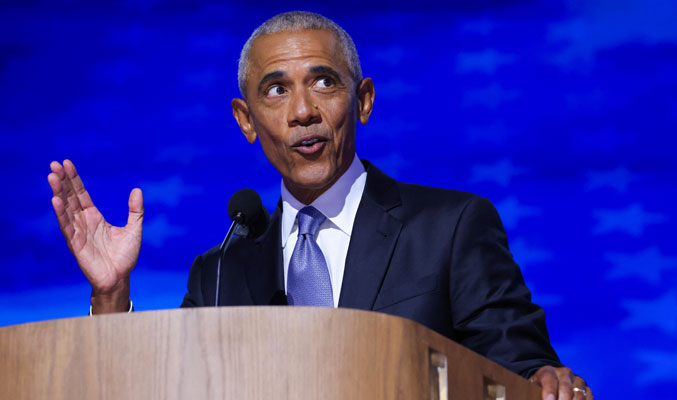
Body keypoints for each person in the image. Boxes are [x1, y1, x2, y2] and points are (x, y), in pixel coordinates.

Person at [47, 11, 592, 400]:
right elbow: (167, 391)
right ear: (246, 120)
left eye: (324, 82)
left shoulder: (450, 227)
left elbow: (518, 370)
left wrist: (547, 380)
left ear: (363, 101)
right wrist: (112, 295)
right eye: (276, 90)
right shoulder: (221, 272)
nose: (303, 110)